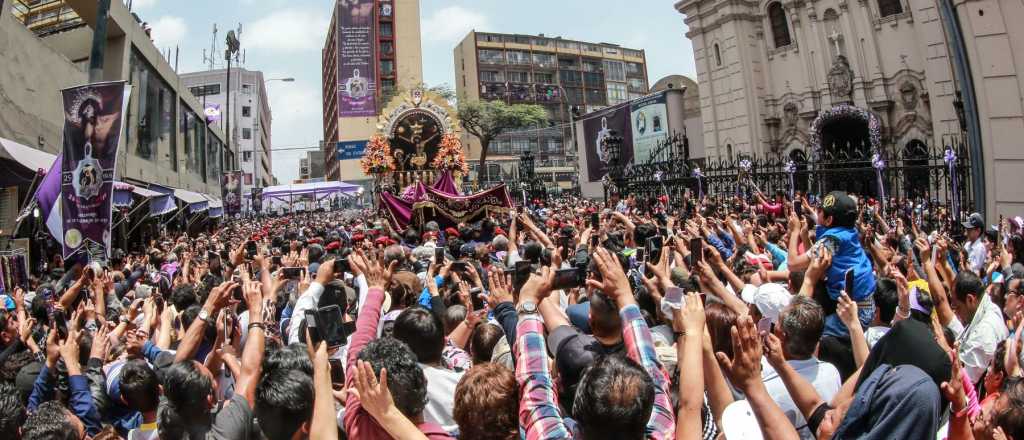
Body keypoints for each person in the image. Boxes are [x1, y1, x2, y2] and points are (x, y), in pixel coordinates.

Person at [760, 296, 841, 439]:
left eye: (778, 321)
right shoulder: (831, 372)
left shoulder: (766, 388)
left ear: (782, 336)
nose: (775, 324)